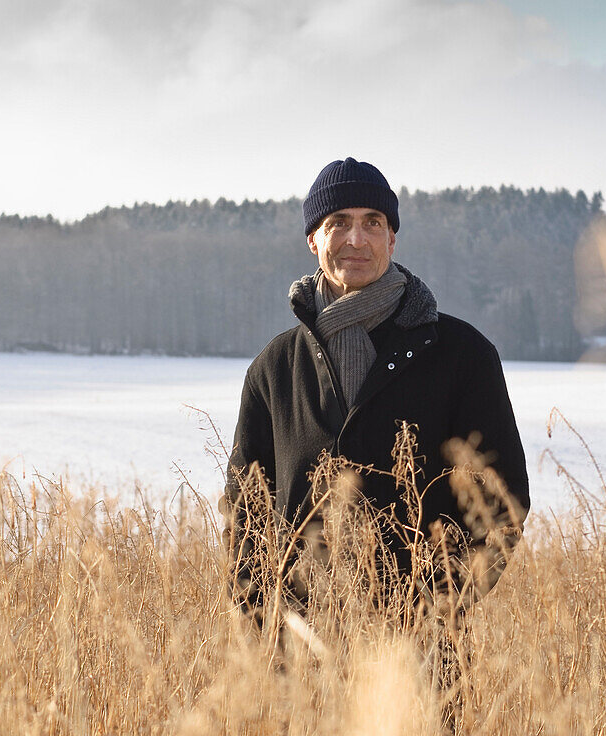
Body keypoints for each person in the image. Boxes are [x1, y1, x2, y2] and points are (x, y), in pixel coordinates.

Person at [222, 157, 530, 621]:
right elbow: (246, 511)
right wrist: (263, 626)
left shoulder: (461, 354)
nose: (356, 239)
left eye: (373, 223)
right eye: (338, 223)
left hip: (423, 659)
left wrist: (436, 609)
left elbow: (502, 502)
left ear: (392, 237)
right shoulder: (275, 368)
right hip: (299, 659)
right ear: (313, 240)